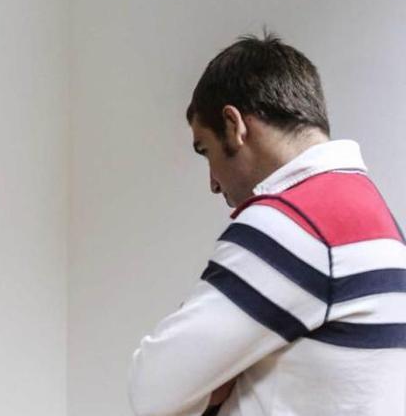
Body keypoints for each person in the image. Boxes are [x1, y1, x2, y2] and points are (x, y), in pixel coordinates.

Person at [128, 33, 406, 415]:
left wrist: (218, 377)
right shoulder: (376, 217)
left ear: (234, 125)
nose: (212, 182)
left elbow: (152, 386)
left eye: (206, 150)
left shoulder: (297, 224)